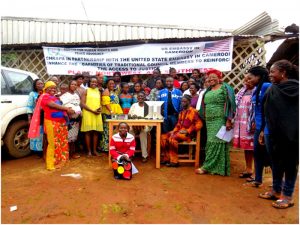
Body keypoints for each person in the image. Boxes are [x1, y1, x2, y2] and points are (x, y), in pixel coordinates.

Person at [259, 60, 298, 209]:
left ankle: (287, 196)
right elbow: (266, 112)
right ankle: (276, 190)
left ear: (283, 73)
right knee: (275, 163)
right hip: (271, 133)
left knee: (289, 164)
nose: (270, 75)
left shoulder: (296, 89)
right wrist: (263, 130)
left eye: (273, 72)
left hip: (291, 135)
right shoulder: (272, 89)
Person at [195, 69, 236, 176]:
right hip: (209, 120)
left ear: (219, 78)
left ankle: (207, 166)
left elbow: (231, 104)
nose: (211, 79)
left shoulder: (225, 88)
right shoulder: (208, 90)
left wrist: (228, 120)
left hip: (220, 119)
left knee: (216, 141)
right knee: (212, 142)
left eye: (214, 77)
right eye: (209, 77)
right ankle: (218, 167)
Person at [28, 81, 74, 170]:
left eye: (54, 88)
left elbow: (58, 105)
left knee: (62, 142)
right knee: (53, 143)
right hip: (51, 122)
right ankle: (51, 164)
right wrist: (67, 109)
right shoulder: (44, 96)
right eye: (50, 87)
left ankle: (62, 161)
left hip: (61, 122)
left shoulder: (55, 97)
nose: (53, 89)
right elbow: (52, 105)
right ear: (46, 89)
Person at [246, 66, 272, 187]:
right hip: (258, 126)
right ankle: (258, 179)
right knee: (257, 152)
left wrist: (263, 128)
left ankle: (279, 183)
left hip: (267, 127)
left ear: (259, 77)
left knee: (270, 154)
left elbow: (269, 109)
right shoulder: (256, 88)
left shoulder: (267, 86)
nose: (249, 80)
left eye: (251, 77)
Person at [161, 95, 202, 167]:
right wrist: (174, 131)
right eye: (182, 102)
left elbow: (199, 124)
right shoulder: (181, 112)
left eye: (184, 101)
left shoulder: (194, 111)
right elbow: (178, 125)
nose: (182, 103)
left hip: (188, 134)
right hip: (179, 132)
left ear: (189, 102)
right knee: (163, 137)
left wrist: (188, 131)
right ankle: (167, 158)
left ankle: (174, 161)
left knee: (172, 138)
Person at [232, 74, 256, 179]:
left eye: (249, 79)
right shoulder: (242, 91)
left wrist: (254, 122)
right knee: (247, 147)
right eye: (245, 79)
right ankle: (248, 169)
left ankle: (257, 172)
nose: (247, 81)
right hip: (241, 123)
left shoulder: (257, 91)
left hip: (252, 123)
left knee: (255, 148)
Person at [80, 77, 103, 157]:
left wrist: (100, 108)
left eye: (95, 82)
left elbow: (100, 103)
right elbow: (82, 104)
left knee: (96, 132)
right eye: (92, 82)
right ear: (89, 83)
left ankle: (94, 150)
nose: (94, 83)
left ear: (97, 83)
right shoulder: (86, 91)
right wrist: (93, 111)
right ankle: (89, 151)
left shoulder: (98, 92)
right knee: (88, 132)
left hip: (97, 113)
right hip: (88, 113)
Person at [60, 80, 82, 159]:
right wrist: (68, 111)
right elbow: (62, 106)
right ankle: (67, 154)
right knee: (67, 137)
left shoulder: (76, 95)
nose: (74, 85)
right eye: (72, 84)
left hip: (76, 119)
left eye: (75, 84)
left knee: (74, 137)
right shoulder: (65, 95)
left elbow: (77, 105)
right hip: (69, 119)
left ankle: (72, 153)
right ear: (69, 85)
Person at [128, 92, 152, 163]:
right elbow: (129, 116)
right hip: (134, 125)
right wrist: (133, 119)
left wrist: (142, 123)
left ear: (145, 97)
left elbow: (150, 118)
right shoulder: (134, 105)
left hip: (145, 126)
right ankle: (131, 154)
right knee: (130, 133)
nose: (140, 97)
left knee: (143, 133)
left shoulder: (148, 106)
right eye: (139, 96)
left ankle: (144, 155)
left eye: (142, 96)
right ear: (137, 97)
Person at [100, 79, 123, 152]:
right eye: (110, 83)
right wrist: (111, 111)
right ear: (107, 84)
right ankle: (106, 147)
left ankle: (113, 147)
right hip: (109, 112)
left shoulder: (113, 91)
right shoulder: (106, 91)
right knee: (107, 130)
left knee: (114, 130)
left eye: (113, 83)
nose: (112, 85)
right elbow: (106, 103)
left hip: (116, 112)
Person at [27, 79, 44, 156]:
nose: (40, 85)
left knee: (43, 133)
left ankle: (44, 149)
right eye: (38, 84)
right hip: (36, 116)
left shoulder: (45, 93)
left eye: (41, 83)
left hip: (45, 115)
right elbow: (29, 106)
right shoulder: (32, 94)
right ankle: (37, 151)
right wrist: (29, 118)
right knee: (37, 133)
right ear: (35, 85)